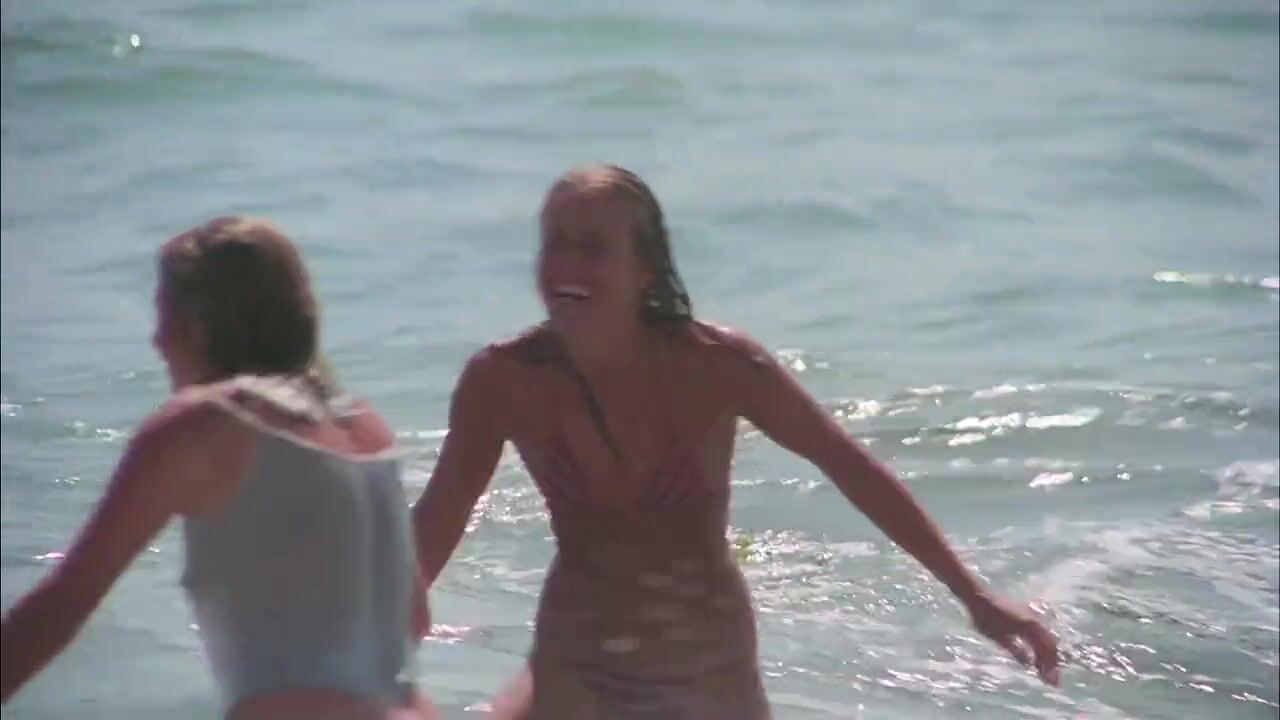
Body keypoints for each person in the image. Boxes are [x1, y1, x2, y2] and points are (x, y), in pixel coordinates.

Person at [411, 164, 1061, 719]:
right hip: (577, 671)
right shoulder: (503, 380)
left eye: (593, 246)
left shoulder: (717, 366)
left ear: (645, 269)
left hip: (707, 676)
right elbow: (440, 518)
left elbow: (849, 466)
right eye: (555, 242)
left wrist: (974, 596)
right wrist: (376, 633)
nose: (566, 264)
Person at [1, 217, 435, 720]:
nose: (156, 340)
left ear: (197, 326)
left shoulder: (204, 422)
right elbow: (414, 618)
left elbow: (64, 603)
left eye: (163, 315)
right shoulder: (365, 427)